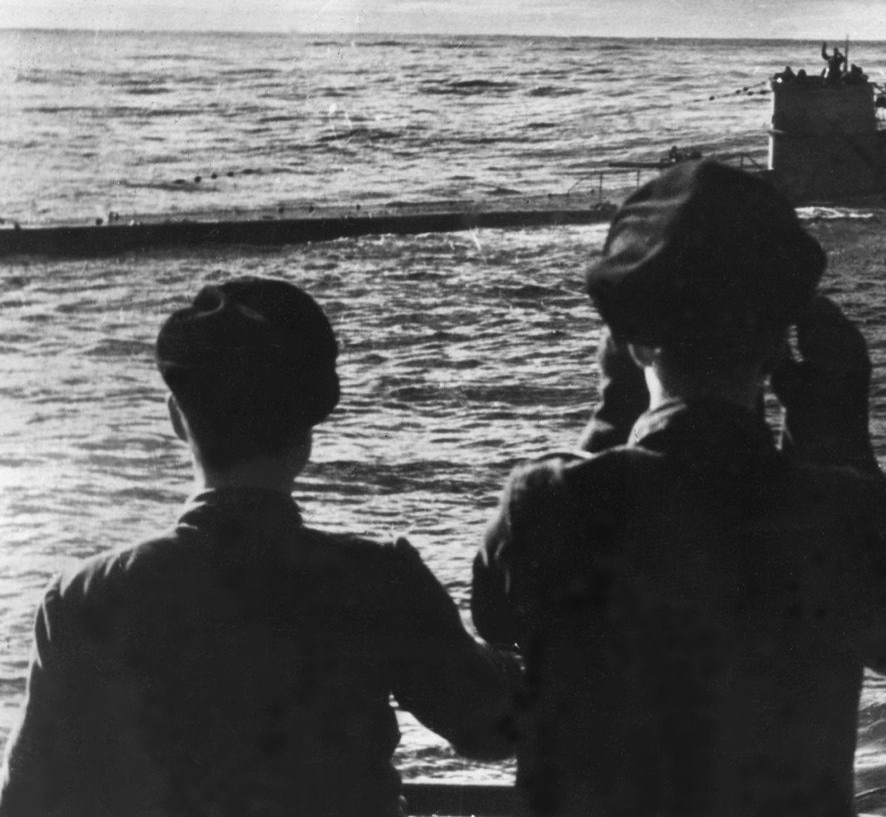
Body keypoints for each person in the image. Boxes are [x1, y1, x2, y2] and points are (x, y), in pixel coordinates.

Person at [472, 160, 886, 817]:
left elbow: (500, 618)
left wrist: (612, 412)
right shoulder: (843, 512)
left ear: (631, 343)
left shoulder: (547, 500)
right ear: (775, 345)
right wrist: (838, 427)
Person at [0, 277, 519, 817]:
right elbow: (494, 728)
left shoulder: (82, 600)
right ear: (305, 440)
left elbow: (28, 801)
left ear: (177, 420)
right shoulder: (375, 580)